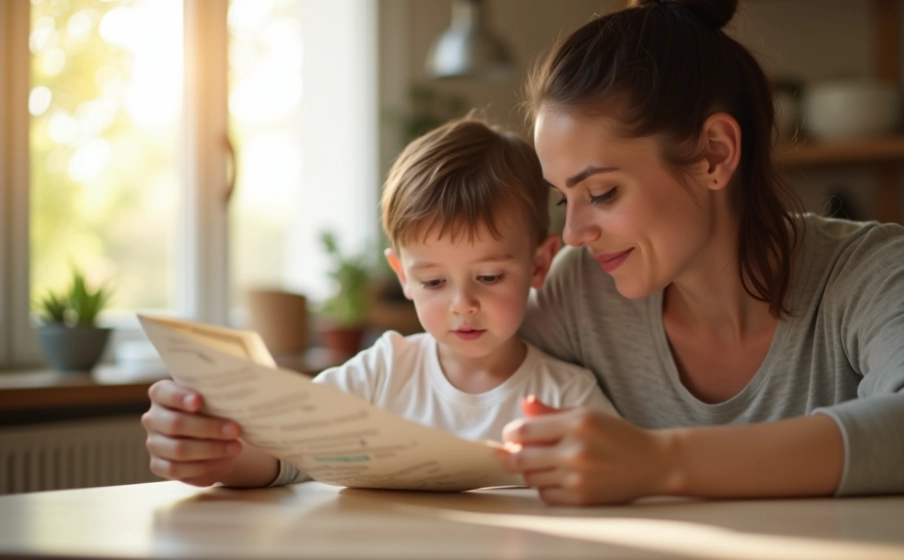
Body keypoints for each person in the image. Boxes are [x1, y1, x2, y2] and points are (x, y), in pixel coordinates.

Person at [499, 0, 904, 505]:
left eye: (601, 192)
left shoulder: (868, 270)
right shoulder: (580, 291)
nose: (575, 233)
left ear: (714, 155)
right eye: (564, 199)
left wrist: (659, 463)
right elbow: (458, 371)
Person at [141, 118, 616, 489]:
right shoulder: (384, 370)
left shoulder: (568, 397)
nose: (462, 304)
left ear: (540, 265)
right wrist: (216, 457)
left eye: (489, 277)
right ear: (402, 276)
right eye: (433, 282)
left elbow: (614, 491)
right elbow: (282, 456)